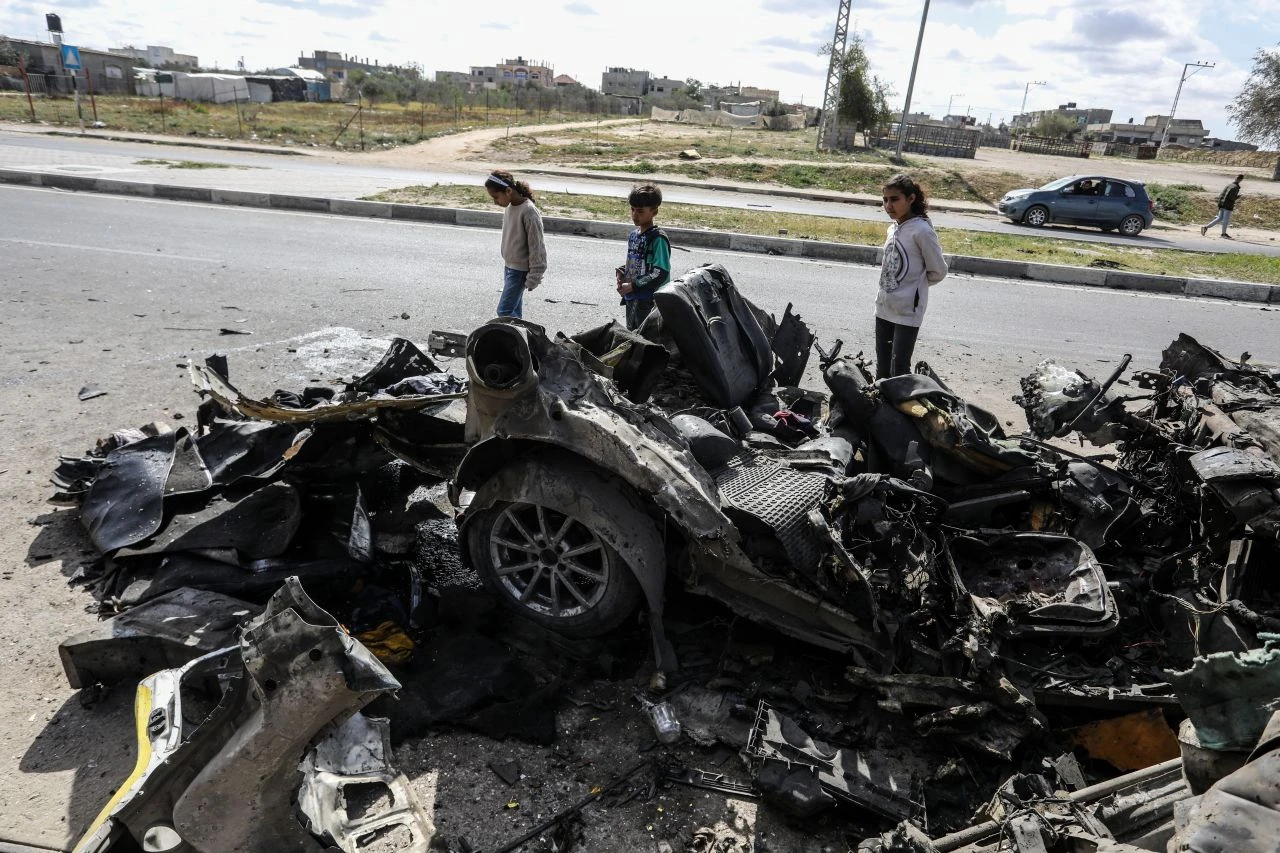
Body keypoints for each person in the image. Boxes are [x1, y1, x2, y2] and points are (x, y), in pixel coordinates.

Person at [875, 173, 948, 380]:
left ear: (911, 199)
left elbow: (938, 271)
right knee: (882, 370)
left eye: (895, 199)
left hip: (907, 312)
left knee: (899, 371)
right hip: (883, 307)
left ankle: (901, 412)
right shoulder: (893, 228)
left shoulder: (922, 231)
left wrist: (916, 288)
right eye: (885, 200)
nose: (889, 205)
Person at [484, 170, 546, 318]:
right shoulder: (510, 208)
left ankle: (509, 340)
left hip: (520, 271)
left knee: (504, 311)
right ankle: (517, 340)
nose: (495, 202)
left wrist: (534, 277)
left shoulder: (529, 211)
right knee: (514, 314)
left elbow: (537, 247)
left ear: (509, 190)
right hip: (509, 267)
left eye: (496, 197)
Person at [616, 183, 671, 331]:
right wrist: (623, 272)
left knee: (646, 339)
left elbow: (660, 272)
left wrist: (633, 285)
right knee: (632, 335)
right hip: (632, 298)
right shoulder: (634, 235)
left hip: (649, 300)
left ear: (654, 211)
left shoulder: (657, 239)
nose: (635, 214)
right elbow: (638, 262)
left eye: (640, 211)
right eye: (632, 210)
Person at [1201, 175, 1244, 239]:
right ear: (1241, 180)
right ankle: (1223, 234)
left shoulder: (1229, 185)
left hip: (1221, 203)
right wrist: (1238, 196)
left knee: (1219, 218)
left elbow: (1222, 194)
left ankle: (1205, 227)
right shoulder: (1235, 187)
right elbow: (1232, 197)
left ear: (1236, 178)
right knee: (1225, 220)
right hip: (1228, 205)